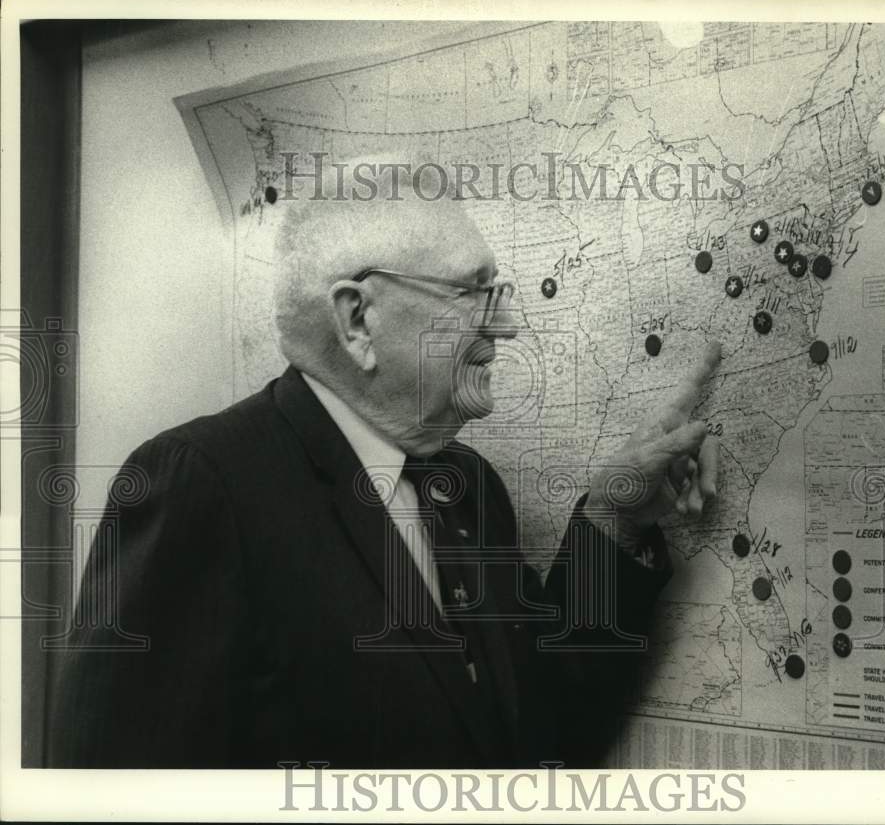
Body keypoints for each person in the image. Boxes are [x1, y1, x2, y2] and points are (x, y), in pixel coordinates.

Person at [47, 162, 721, 768]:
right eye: (473, 292)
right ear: (358, 321)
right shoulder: (201, 486)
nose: (506, 325)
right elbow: (111, 790)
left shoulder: (468, 486)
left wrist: (614, 517)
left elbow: (539, 726)